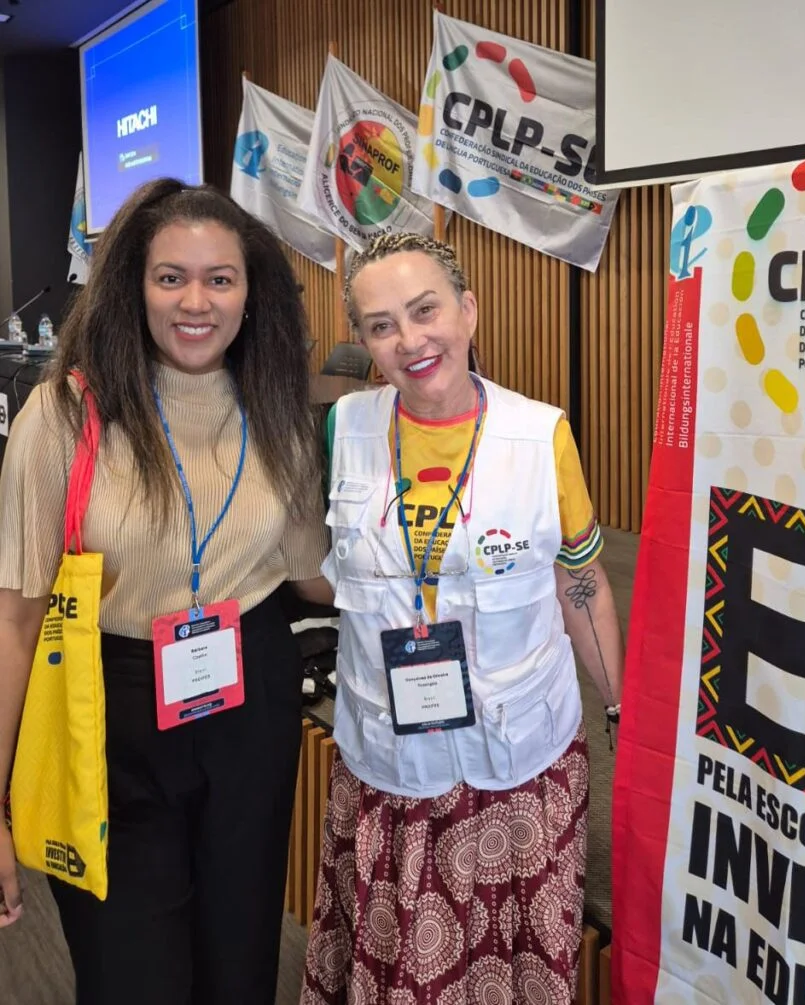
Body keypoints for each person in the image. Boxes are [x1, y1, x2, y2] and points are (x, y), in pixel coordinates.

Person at [0, 178, 333, 1004]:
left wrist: (448, 578)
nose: (196, 301)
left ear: (251, 293)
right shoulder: (63, 417)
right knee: (131, 975)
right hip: (107, 708)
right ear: (133, 287)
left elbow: (312, 575)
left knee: (239, 965)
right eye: (170, 276)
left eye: (220, 278)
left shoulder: (278, 412)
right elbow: (14, 621)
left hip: (251, 700)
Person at [302, 233, 625, 1004]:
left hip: (518, 763)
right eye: (382, 325)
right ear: (363, 340)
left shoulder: (540, 436)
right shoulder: (344, 428)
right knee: (396, 958)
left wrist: (617, 702)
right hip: (387, 761)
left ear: (468, 311)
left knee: (509, 965)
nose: (410, 340)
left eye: (426, 311)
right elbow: (322, 568)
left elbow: (580, 581)